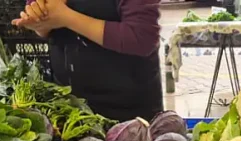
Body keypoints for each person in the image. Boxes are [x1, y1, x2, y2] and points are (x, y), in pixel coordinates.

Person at [13, 0, 165, 121]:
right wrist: (38, 20)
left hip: (128, 111)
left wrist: (66, 17)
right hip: (69, 108)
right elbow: (43, 17)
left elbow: (141, 38)